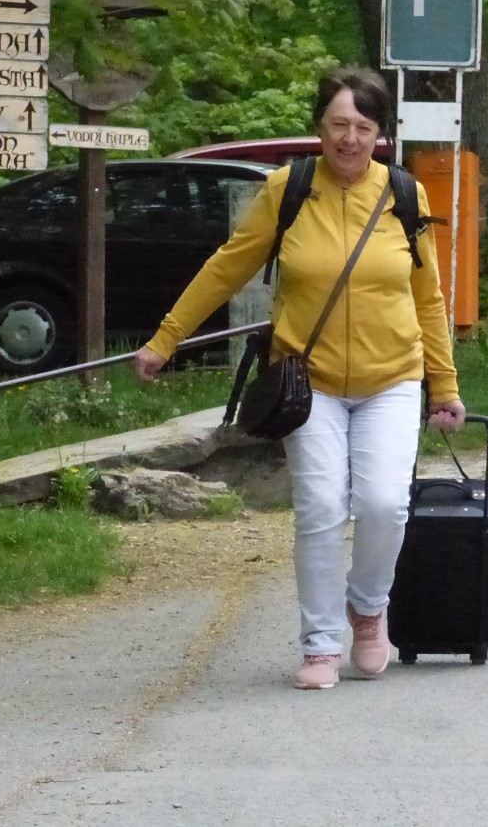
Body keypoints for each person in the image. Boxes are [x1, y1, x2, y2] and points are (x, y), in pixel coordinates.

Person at [134, 67, 466, 689]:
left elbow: (428, 298)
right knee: (319, 508)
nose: (349, 139)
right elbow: (227, 267)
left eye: (362, 127)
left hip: (392, 377)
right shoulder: (288, 190)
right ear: (320, 127)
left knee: (384, 504)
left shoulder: (405, 195)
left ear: (380, 134)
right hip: (308, 381)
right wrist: (166, 339)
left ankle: (368, 608)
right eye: (338, 124)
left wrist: (442, 386)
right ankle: (319, 645)